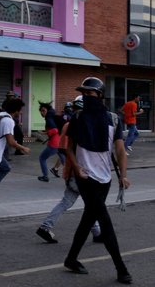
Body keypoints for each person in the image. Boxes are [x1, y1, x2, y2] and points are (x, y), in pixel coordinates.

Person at [63, 77, 132, 284]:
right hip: (86, 178)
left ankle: (71, 259)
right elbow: (69, 147)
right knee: (105, 221)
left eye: (89, 93)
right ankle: (121, 269)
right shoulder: (77, 117)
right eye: (83, 93)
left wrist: (123, 175)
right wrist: (76, 168)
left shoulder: (113, 119)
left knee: (88, 219)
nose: (86, 97)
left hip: (105, 178)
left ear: (100, 95)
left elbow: (120, 150)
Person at [36, 96, 102, 244]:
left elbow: (63, 149)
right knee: (92, 204)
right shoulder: (85, 127)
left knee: (68, 202)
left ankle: (46, 226)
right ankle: (97, 233)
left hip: (72, 172)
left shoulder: (68, 125)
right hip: (84, 172)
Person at [36, 101, 65, 182]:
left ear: (47, 110)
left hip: (54, 143)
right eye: (41, 111)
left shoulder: (49, 118)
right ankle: (71, 177)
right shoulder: (52, 116)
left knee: (42, 158)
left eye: (43, 110)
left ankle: (45, 176)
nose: (42, 113)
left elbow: (55, 130)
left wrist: (43, 133)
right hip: (59, 142)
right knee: (64, 160)